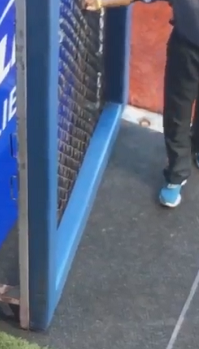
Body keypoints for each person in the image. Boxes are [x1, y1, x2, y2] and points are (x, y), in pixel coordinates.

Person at [83, 0, 199, 207]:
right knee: (178, 110)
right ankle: (177, 174)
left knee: (179, 111)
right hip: (187, 48)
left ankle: (193, 152)